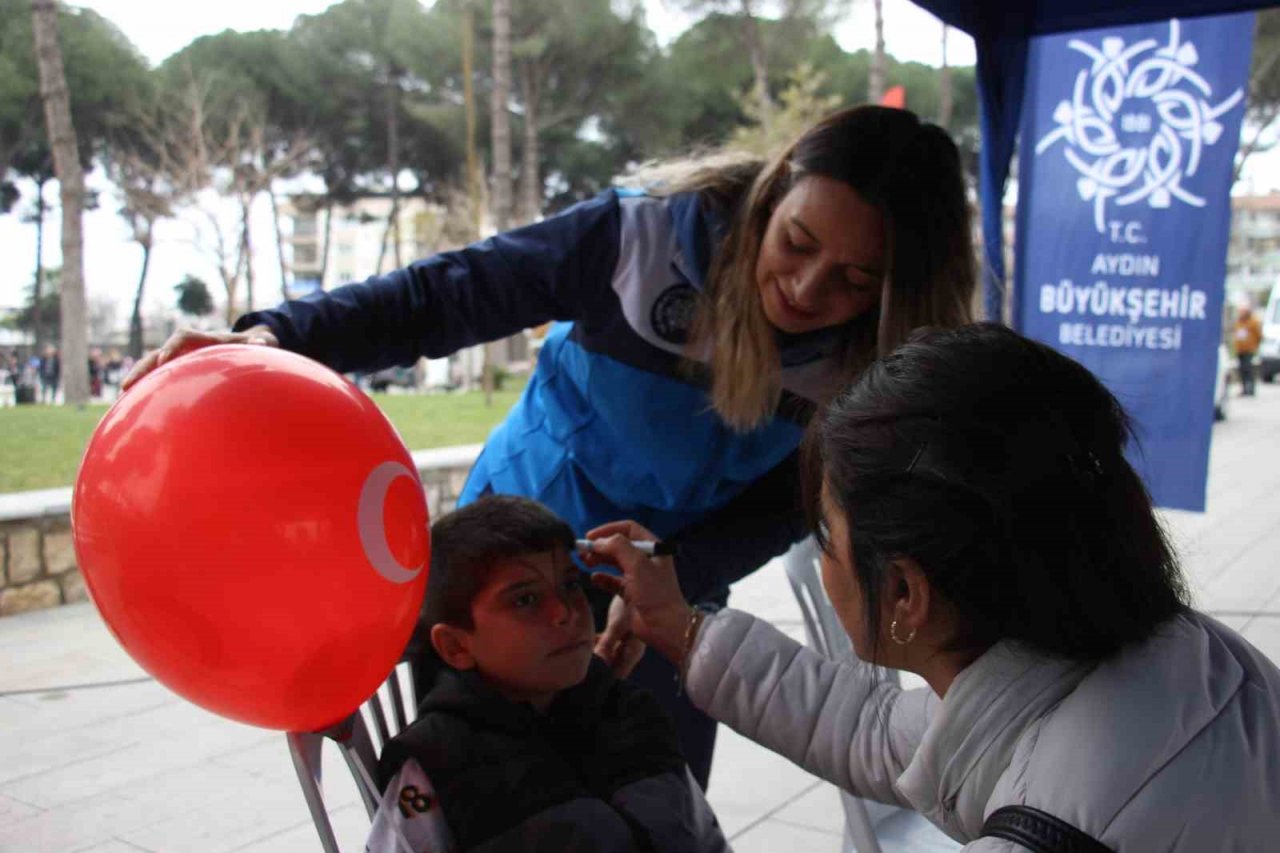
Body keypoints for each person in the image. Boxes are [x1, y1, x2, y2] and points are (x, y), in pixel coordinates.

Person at [122, 105, 976, 786]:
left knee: (651, 803)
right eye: (797, 242)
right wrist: (279, 336)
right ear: (776, 188)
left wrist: (670, 568)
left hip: (659, 606)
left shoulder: (867, 363)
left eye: (854, 282)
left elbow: (789, 503)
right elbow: (446, 294)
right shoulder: (642, 241)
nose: (806, 287)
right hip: (501, 569)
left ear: (896, 291)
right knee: (482, 800)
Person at [586, 324, 1280, 851]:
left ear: (905, 594)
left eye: (826, 537)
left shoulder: (1048, 827)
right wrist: (678, 626)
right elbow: (878, 731)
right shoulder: (1186, 655)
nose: (822, 564)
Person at [365, 494, 728, 853]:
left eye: (570, 584)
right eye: (524, 600)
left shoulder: (632, 714)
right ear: (456, 647)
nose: (565, 612)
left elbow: (704, 839)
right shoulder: (435, 765)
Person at [1234, 304, 1263, 396]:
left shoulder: (1253, 322)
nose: (1241, 313)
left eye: (1243, 311)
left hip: (1249, 349)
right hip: (1240, 349)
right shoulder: (1239, 322)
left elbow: (1259, 335)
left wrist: (1255, 346)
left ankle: (1251, 388)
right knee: (1242, 370)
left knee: (1248, 369)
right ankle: (1244, 388)